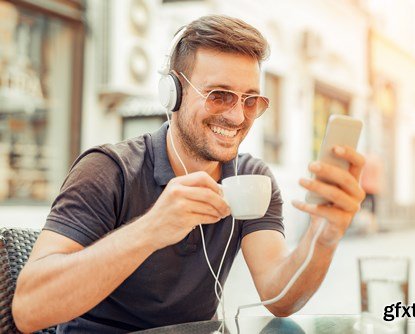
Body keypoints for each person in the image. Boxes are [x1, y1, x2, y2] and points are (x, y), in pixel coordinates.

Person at [12, 15, 366, 333]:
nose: (238, 117)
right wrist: (152, 229)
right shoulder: (109, 170)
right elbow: (29, 310)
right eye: (219, 95)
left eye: (250, 100)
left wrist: (325, 235)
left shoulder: (250, 178)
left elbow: (279, 297)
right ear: (173, 93)